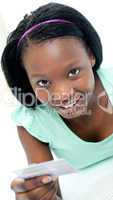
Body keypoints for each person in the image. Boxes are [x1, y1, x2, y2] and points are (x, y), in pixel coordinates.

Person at [1, 2, 113, 200]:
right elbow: (51, 192)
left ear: (90, 55)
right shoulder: (33, 124)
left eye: (73, 72)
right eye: (43, 82)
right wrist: (39, 195)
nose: (62, 94)